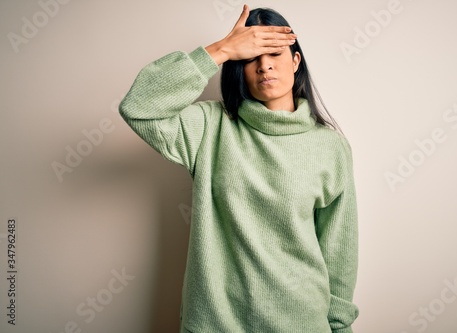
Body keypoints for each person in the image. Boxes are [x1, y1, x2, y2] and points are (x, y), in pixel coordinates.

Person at [119, 5, 359, 333]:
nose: (264, 66)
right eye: (250, 57)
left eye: (274, 52)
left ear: (295, 61)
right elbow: (139, 107)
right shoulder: (210, 126)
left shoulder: (330, 147)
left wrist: (340, 326)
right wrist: (222, 50)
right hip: (215, 323)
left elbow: (339, 249)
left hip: (301, 322)